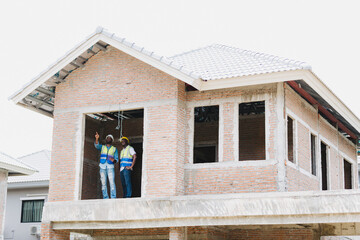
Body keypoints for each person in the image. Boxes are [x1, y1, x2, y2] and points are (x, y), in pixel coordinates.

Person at [94, 132, 119, 199]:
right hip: (102, 166)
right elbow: (96, 145)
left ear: (112, 140)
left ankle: (113, 197)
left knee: (111, 182)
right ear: (106, 140)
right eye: (107, 138)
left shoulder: (114, 149)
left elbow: (116, 159)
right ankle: (105, 197)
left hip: (110, 167)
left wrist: (113, 160)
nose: (108, 139)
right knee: (103, 183)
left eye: (109, 138)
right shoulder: (102, 147)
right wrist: (97, 138)